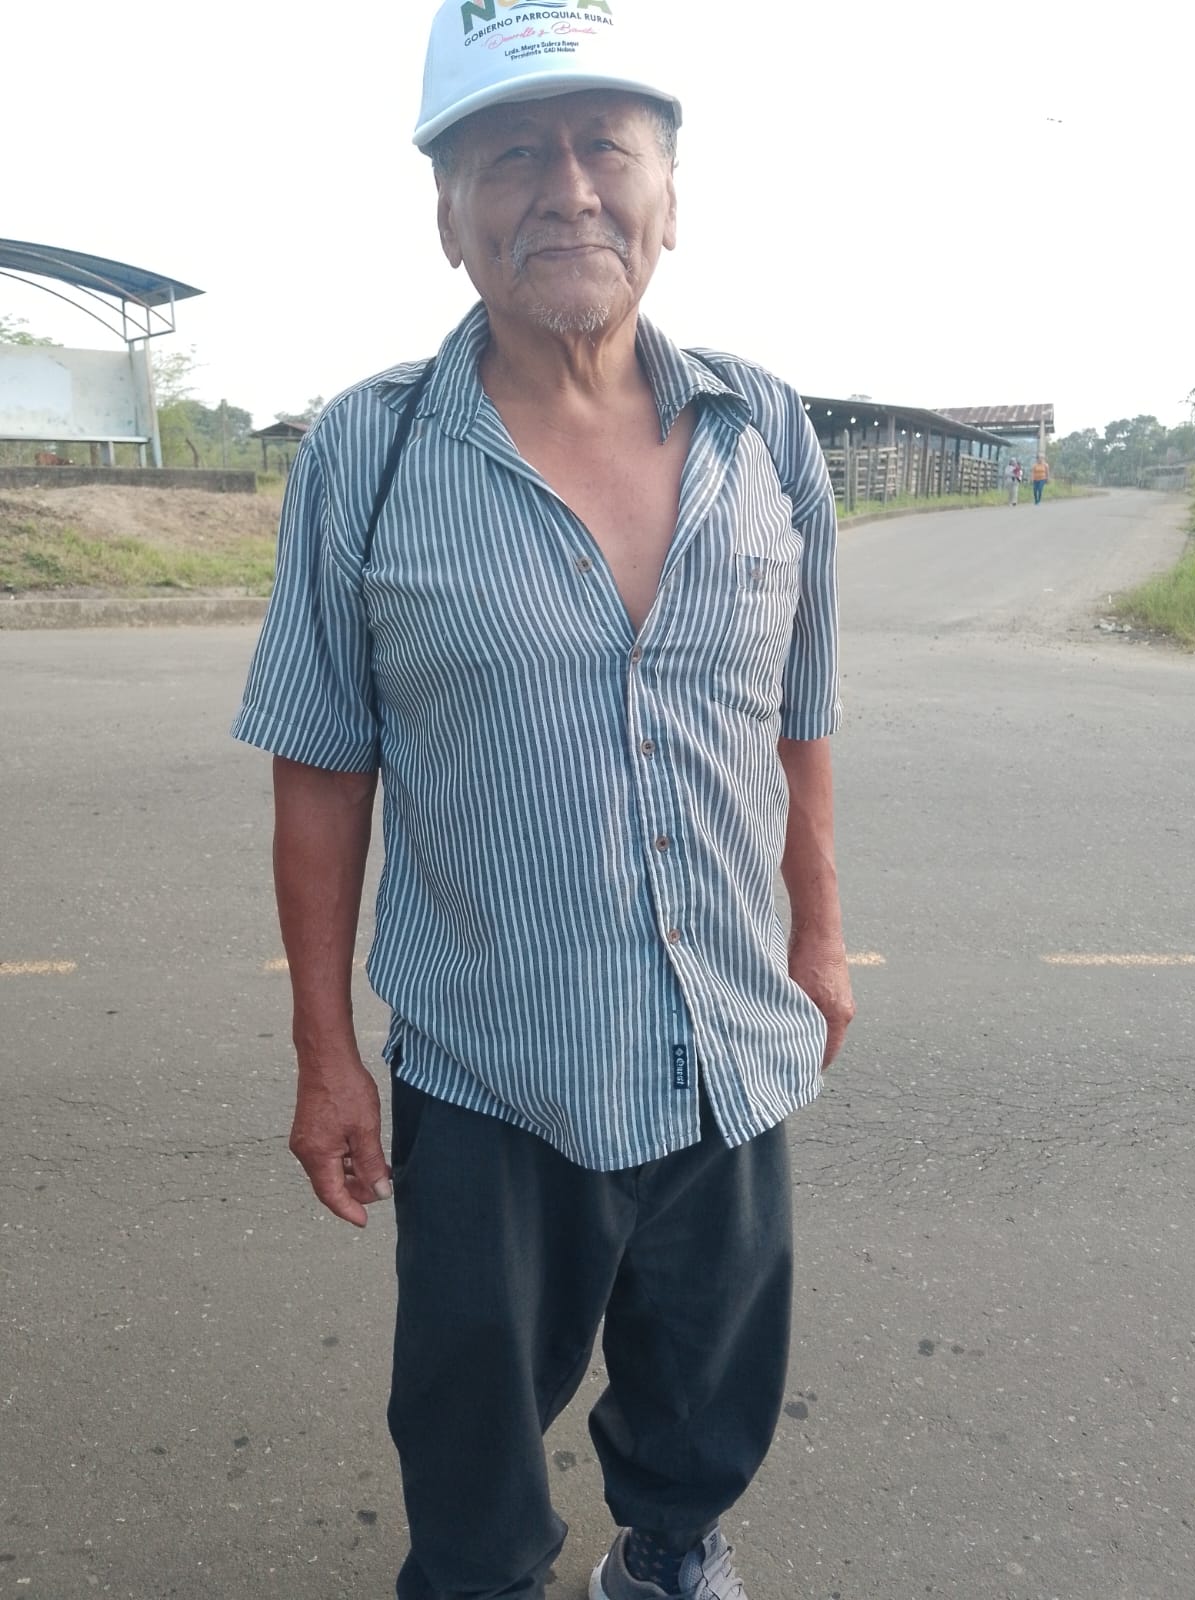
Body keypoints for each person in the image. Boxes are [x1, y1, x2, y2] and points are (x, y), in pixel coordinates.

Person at [233, 4, 854, 1597]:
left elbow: (796, 716)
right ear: (449, 216)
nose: (567, 188)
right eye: (512, 155)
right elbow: (322, 766)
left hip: (727, 1031)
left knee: (710, 1360)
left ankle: (671, 1551)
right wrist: (324, 1053)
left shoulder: (764, 431)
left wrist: (819, 934)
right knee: (473, 1419)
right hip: (494, 1059)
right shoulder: (370, 450)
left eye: (604, 148)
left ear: (668, 196)